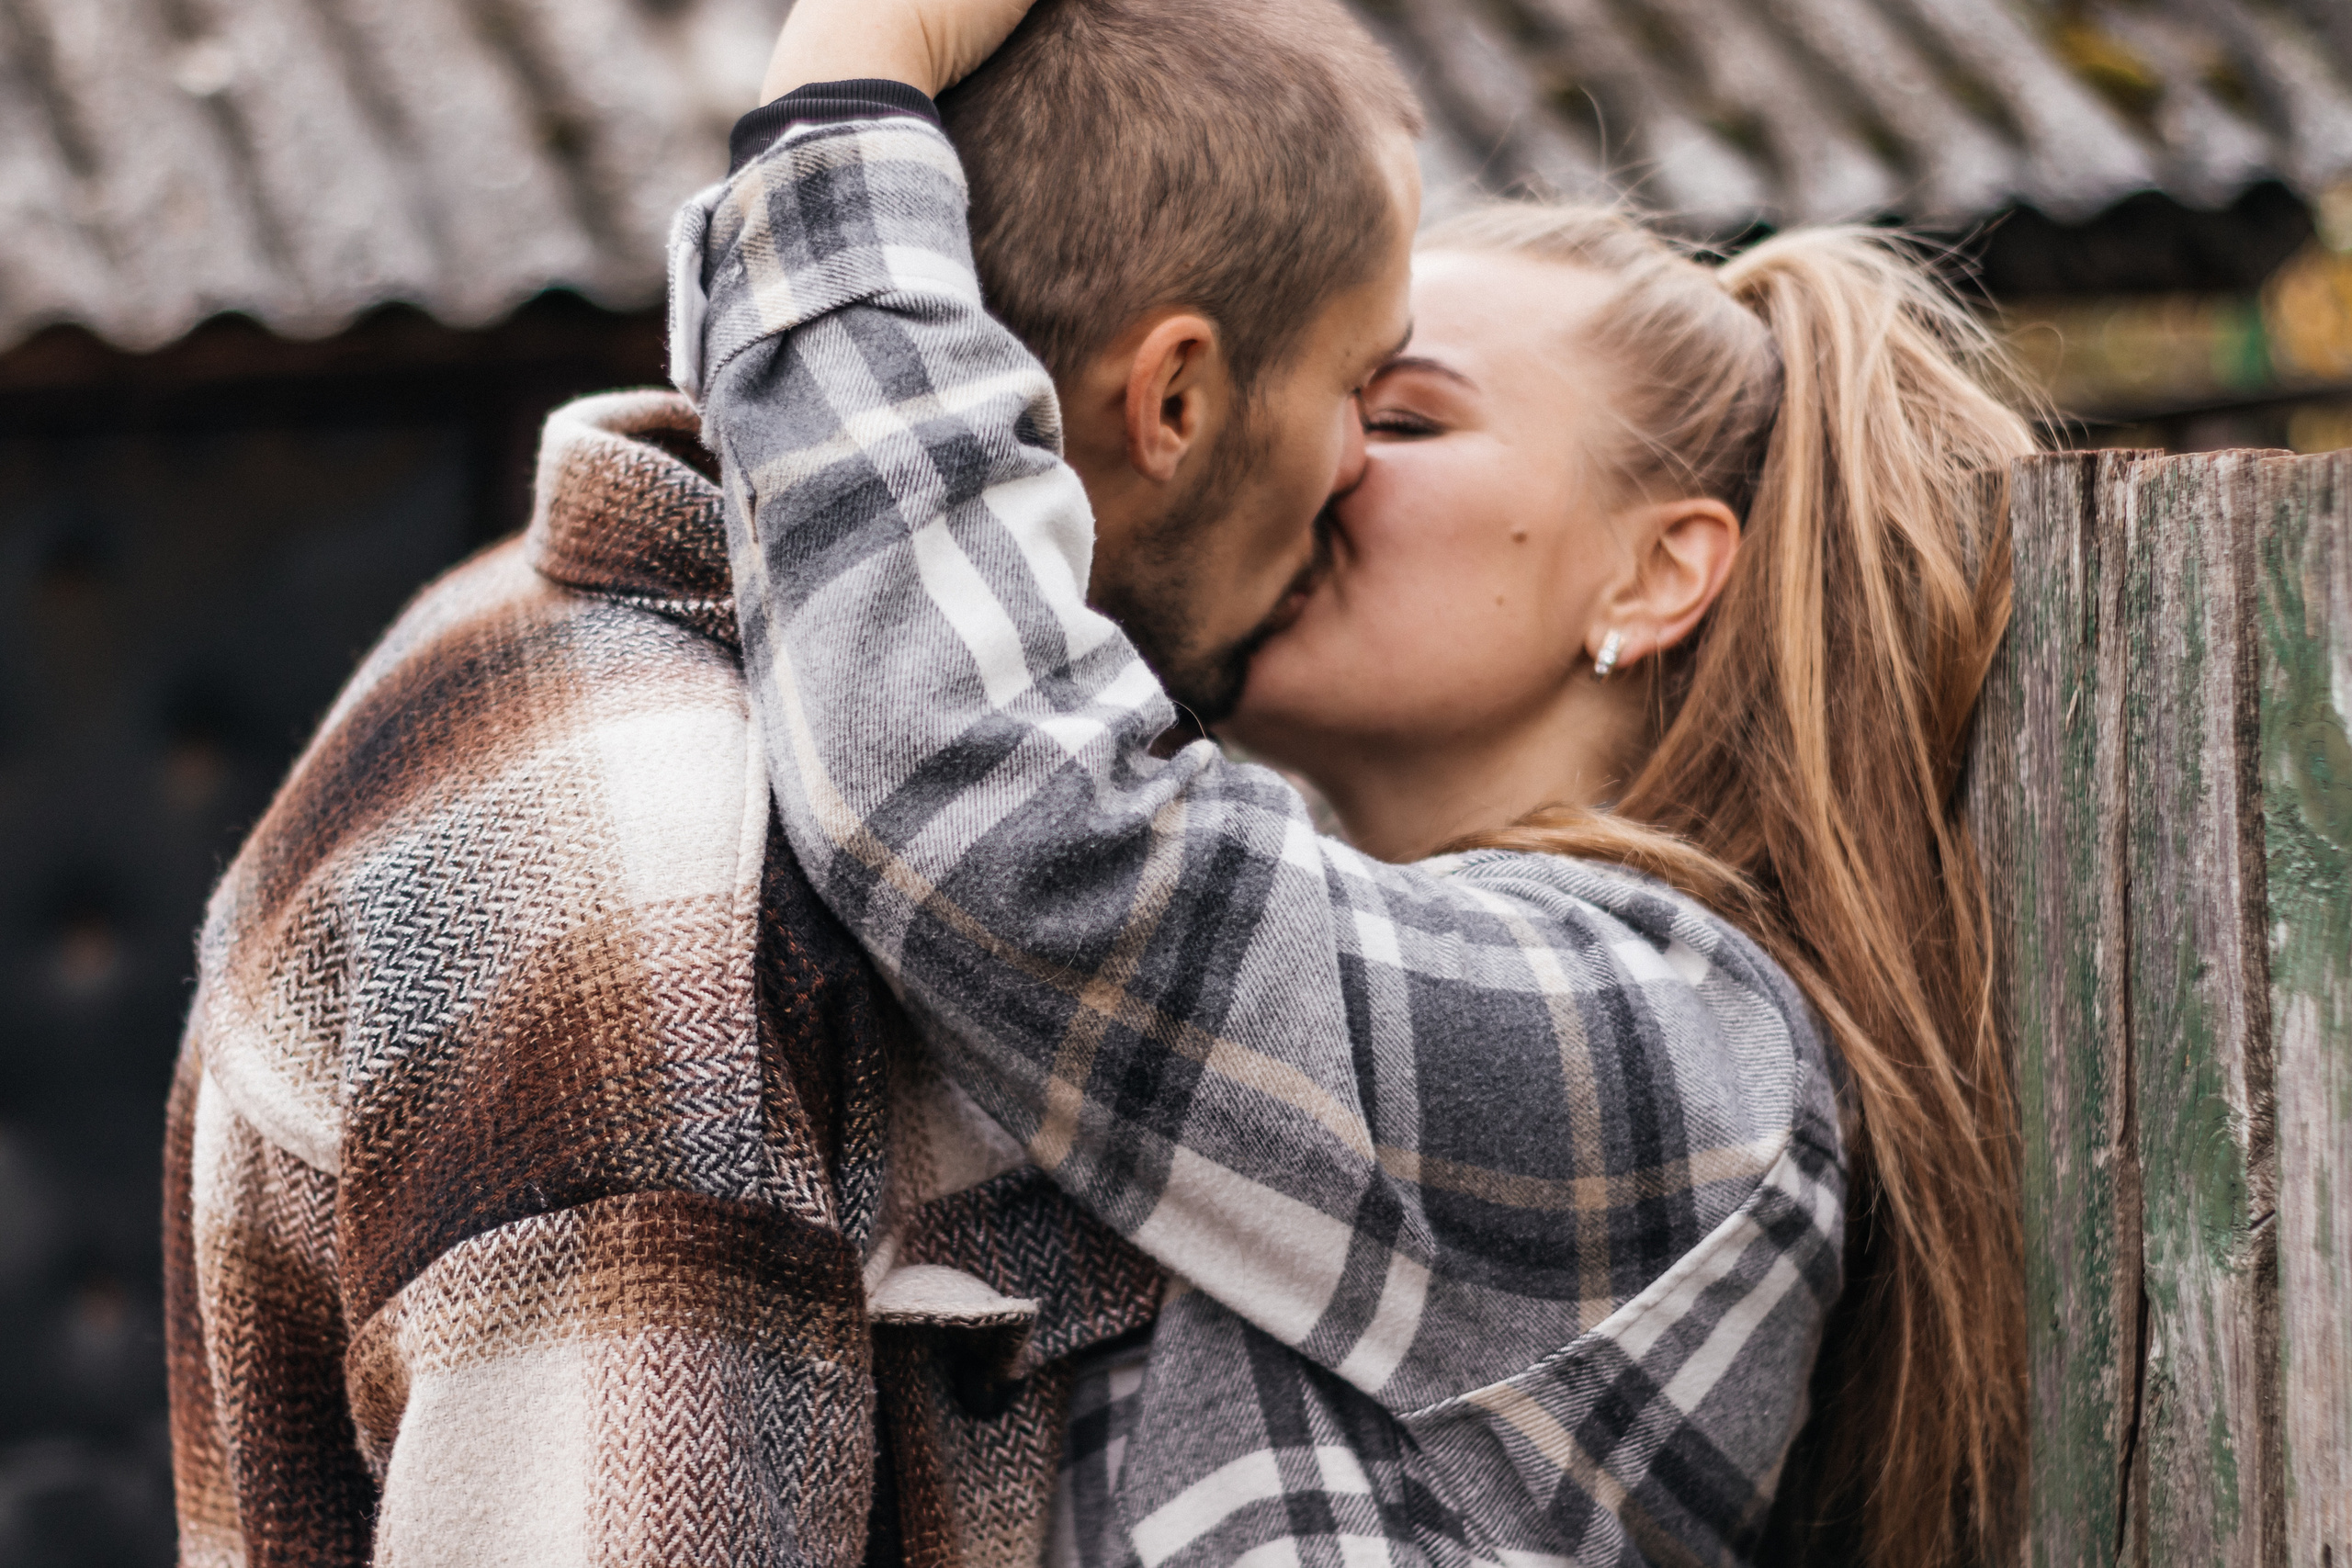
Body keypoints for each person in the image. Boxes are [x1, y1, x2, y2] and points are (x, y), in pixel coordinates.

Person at [682, 2, 2033, 1566]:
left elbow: (1008, 833)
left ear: (1658, 575)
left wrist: (839, 110)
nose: (1315, 458)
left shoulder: (1681, 1062)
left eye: (1400, 413)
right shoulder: (1280, 984)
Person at [159, 2, 1422, 1563]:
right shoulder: (661, 879)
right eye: (1367, 384)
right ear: (1174, 400)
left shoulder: (577, 635)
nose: (1365, 461)